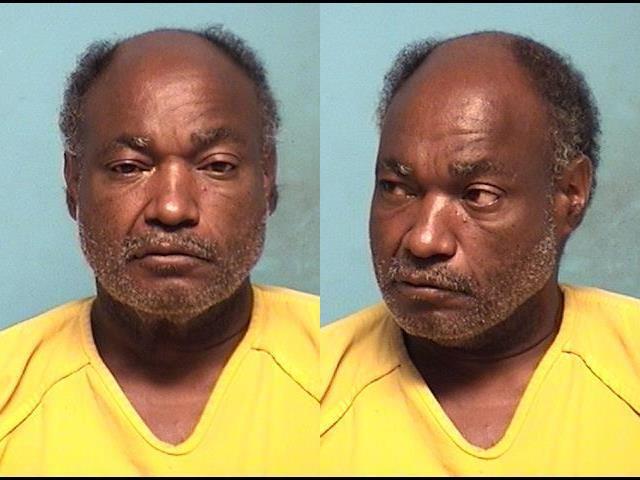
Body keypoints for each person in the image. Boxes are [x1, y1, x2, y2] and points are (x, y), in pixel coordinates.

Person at [0, 26, 319, 475]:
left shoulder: (342, 374)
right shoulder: (10, 392)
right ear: (73, 182)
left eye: (217, 166)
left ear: (267, 178)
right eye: (128, 167)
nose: (172, 208)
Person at [320, 30, 640, 475]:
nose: (424, 239)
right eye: (397, 188)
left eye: (478, 195)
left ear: (569, 194)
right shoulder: (310, 389)